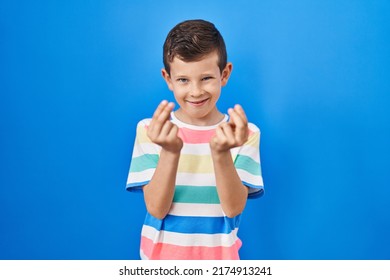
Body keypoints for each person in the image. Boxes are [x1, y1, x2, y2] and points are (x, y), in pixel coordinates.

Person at [126, 19, 264, 260]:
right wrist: (170, 151)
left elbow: (233, 208)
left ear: (225, 74)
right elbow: (156, 209)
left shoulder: (244, 134)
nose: (196, 91)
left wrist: (221, 153)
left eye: (206, 78)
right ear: (168, 79)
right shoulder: (151, 130)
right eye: (183, 80)